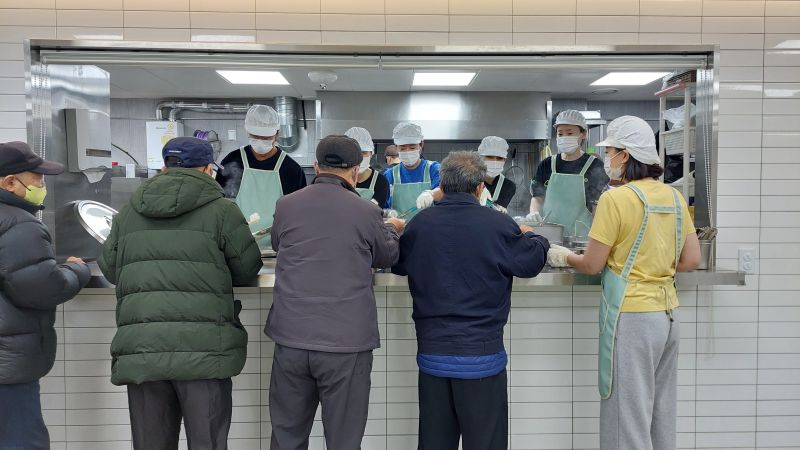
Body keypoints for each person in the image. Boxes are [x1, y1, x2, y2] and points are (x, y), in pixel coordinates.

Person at [546, 116, 701, 450]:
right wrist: (655, 262)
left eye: (610, 151)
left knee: (626, 418)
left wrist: (562, 256)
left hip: (632, 317)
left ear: (625, 155)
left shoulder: (615, 199)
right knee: (661, 411)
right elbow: (691, 260)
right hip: (668, 316)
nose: (608, 159)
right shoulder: (674, 197)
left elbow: (592, 264)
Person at [99, 137, 263, 450]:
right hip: (204, 351)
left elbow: (109, 269)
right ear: (207, 169)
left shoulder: (128, 212)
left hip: (143, 350)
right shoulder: (223, 211)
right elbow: (247, 269)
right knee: (207, 442)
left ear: (165, 166)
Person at [393, 151, 549, 450]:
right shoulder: (498, 224)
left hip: (433, 356)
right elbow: (530, 263)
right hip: (482, 358)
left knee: (435, 443)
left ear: (441, 186)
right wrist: (534, 237)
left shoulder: (421, 224)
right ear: (480, 188)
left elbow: (398, 263)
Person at [266, 135, 404, 450]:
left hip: (291, 339)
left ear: (316, 166)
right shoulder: (366, 211)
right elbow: (386, 256)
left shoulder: (287, 205)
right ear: (355, 171)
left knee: (287, 437)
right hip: (346, 343)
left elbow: (277, 244)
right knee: (344, 440)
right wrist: (391, 228)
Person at [0, 141, 91, 450]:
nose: (42, 184)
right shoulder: (18, 224)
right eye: (36, 177)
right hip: (7, 366)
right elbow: (41, 289)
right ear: (9, 182)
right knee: (22, 442)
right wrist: (76, 270)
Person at [216, 104, 307, 249]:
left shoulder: (291, 169)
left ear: (277, 134)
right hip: (236, 245)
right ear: (247, 132)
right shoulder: (232, 161)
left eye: (265, 137)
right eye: (255, 136)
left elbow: (298, 215)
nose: (260, 141)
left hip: (277, 248)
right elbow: (219, 205)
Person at [529, 110, 609, 237]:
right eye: (560, 134)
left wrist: (595, 238)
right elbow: (537, 197)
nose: (564, 137)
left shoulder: (595, 166)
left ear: (584, 134)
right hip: (548, 236)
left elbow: (597, 208)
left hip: (581, 238)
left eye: (570, 133)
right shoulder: (547, 164)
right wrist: (533, 213)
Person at [383, 122, 441, 218]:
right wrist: (388, 213)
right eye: (402, 148)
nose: (407, 152)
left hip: (428, 225)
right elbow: (383, 205)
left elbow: (445, 191)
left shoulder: (433, 169)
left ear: (421, 146)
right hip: (400, 226)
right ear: (396, 148)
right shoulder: (390, 175)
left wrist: (432, 194)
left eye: (412, 147)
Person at [346, 126, 390, 208]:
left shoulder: (380, 181)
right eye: (354, 153)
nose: (359, 158)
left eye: (364, 153)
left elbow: (378, 211)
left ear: (371, 153)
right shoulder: (340, 179)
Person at [477, 135, 517, 212]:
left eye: (499, 158)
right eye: (489, 157)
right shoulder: (469, 182)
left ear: (504, 160)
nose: (494, 161)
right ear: (480, 158)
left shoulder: (508, 186)